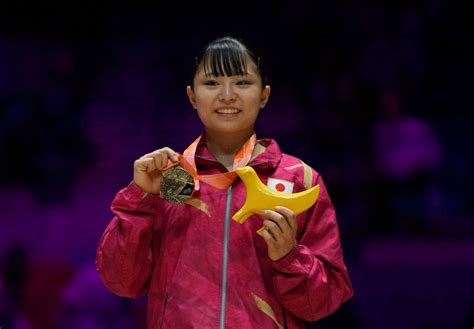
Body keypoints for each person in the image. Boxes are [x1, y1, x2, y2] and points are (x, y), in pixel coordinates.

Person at [96, 36, 353, 329]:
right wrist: (140, 198)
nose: (227, 95)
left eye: (242, 82)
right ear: (192, 96)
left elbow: (324, 301)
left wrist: (288, 258)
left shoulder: (300, 180)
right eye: (212, 83)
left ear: (264, 95)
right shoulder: (167, 178)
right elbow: (121, 282)